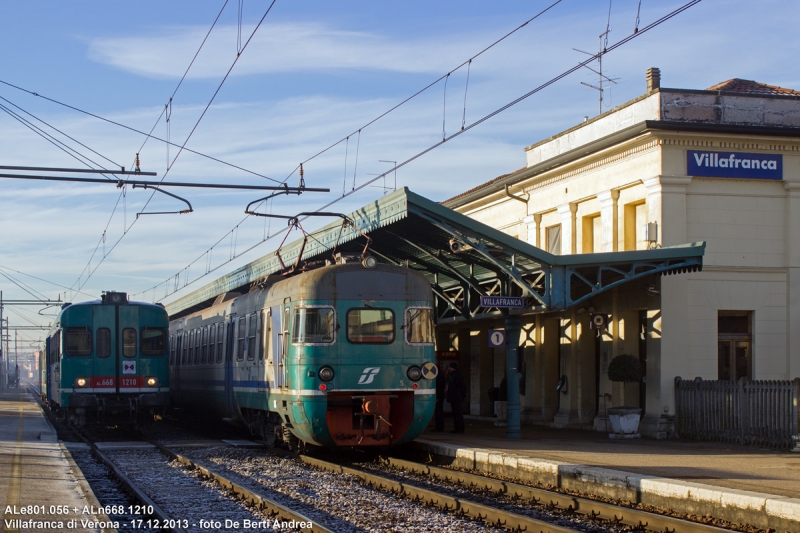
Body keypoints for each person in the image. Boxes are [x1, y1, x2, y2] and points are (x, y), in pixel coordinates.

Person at [446, 362, 466, 433]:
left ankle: (459, 428)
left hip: (457, 398)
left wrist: (462, 395)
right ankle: (457, 428)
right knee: (455, 413)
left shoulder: (456, 376)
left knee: (458, 413)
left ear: (453, 368)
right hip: (455, 397)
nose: (448, 369)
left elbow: (461, 387)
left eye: (449, 367)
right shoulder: (453, 375)